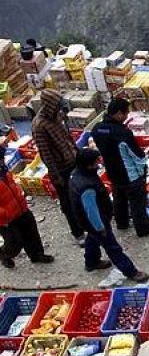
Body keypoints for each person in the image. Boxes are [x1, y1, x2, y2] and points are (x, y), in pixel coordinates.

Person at [69, 148, 148, 282]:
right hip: (96, 221)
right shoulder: (87, 187)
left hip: (86, 221)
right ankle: (131, 272)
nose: (99, 164)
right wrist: (100, 227)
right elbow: (91, 211)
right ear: (89, 164)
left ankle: (91, 262)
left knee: (92, 238)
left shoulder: (76, 175)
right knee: (112, 247)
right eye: (96, 162)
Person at [91, 97, 149, 237]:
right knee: (137, 204)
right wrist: (142, 171)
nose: (126, 117)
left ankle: (122, 223)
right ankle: (143, 229)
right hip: (130, 175)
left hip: (112, 173)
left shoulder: (97, 129)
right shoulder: (122, 132)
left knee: (119, 199)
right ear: (119, 113)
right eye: (126, 114)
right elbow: (137, 155)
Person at [31, 88, 85, 245]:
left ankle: (84, 223)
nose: (60, 109)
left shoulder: (56, 116)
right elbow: (46, 154)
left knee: (79, 195)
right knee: (68, 202)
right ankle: (78, 233)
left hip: (72, 161)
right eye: (58, 106)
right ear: (50, 105)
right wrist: (56, 175)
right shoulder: (39, 126)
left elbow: (67, 136)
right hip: (61, 169)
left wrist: (76, 151)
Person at [0, 145, 54, 268]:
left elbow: (12, 185)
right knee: (15, 242)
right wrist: (4, 215)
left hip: (20, 208)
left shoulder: (3, 169)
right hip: (5, 218)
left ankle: (37, 255)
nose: (3, 160)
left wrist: (21, 198)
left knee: (31, 232)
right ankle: (4, 254)